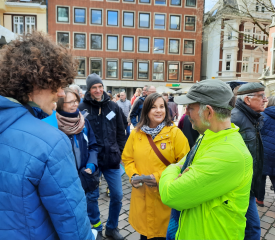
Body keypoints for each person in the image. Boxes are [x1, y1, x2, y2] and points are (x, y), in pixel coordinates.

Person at [0, 31, 95, 239]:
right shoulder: (50, 142)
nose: (61, 93)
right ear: (35, 81)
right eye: (56, 84)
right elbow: (73, 225)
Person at [159, 80, 253, 240]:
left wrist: (171, 168)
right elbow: (183, 164)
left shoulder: (229, 153)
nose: (186, 113)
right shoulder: (209, 137)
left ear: (209, 112)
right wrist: (180, 169)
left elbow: (171, 194)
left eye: (190, 108)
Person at [122, 93, 190, 240]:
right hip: (143, 199)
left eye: (161, 106)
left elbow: (185, 164)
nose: (158, 110)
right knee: (145, 235)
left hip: (165, 201)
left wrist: (158, 177)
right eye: (153, 107)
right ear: (146, 110)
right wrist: (133, 175)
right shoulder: (136, 134)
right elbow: (127, 159)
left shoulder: (175, 134)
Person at [78, 73, 126, 240]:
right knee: (92, 196)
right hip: (92, 160)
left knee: (118, 195)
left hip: (112, 159)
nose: (98, 90)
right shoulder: (82, 108)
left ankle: (111, 228)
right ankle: (97, 227)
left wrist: (119, 151)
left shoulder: (113, 107)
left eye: (100, 87)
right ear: (89, 90)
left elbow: (121, 131)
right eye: (94, 87)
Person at [231, 82, 268, 240]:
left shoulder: (251, 116)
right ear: (247, 100)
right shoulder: (236, 118)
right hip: (240, 185)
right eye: (261, 96)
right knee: (253, 228)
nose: (265, 100)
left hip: (248, 183)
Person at [56, 88, 98, 189]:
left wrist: (92, 164)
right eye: (71, 102)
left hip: (85, 176)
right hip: (64, 181)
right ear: (61, 103)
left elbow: (93, 146)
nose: (75, 104)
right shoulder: (54, 124)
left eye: (76, 101)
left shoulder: (84, 122)